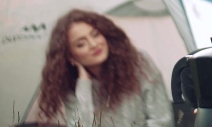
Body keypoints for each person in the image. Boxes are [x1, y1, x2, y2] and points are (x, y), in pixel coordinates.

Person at [38, 9, 174, 127]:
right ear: (70, 56)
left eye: (95, 34)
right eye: (81, 44)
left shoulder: (138, 63)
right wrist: (84, 85)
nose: (93, 44)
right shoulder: (72, 84)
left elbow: (162, 121)